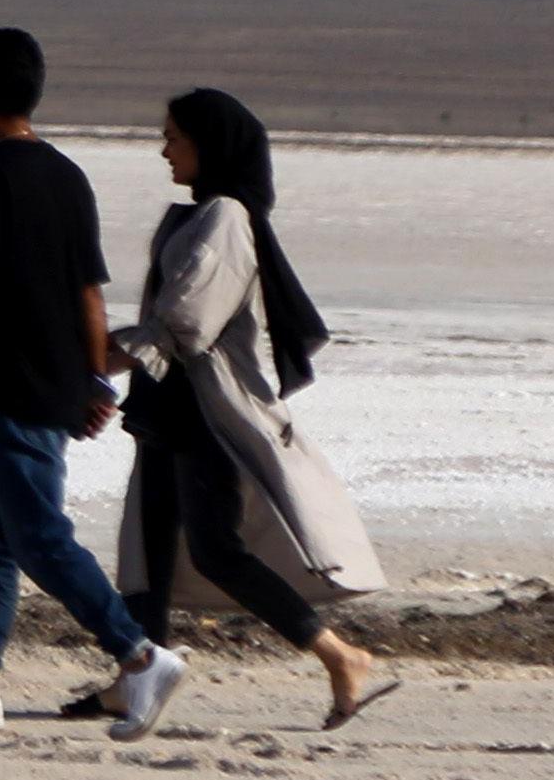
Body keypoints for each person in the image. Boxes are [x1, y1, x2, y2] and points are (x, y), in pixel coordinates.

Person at [0, 27, 181, 736]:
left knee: (41, 536)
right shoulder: (67, 174)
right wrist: (93, 381)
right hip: (50, 384)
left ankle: (139, 657)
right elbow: (89, 294)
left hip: (15, 388)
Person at [103, 86, 395, 727]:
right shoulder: (197, 215)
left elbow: (186, 321)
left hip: (203, 418)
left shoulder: (225, 218)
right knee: (148, 554)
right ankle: (134, 680)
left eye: (174, 137)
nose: (164, 150)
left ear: (209, 145)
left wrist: (98, 359)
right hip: (166, 409)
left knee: (215, 550)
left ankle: (341, 655)